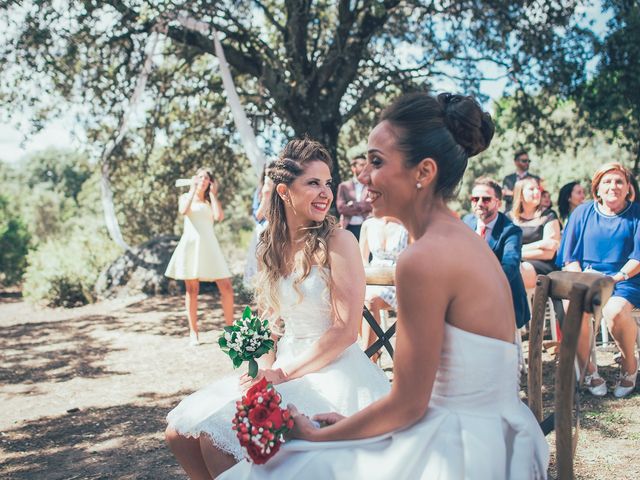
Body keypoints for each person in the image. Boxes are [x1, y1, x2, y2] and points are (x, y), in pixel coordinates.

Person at [223, 92, 549, 479]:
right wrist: (348, 425)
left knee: (271, 470)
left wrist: (317, 435)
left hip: (465, 451)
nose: (362, 177)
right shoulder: (456, 241)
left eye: (376, 162)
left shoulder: (424, 258)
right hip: (496, 436)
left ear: (423, 173)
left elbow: (407, 406)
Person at [165, 139, 391, 479]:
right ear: (284, 192)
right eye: (313, 183)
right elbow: (272, 322)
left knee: (216, 439)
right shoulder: (268, 246)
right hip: (282, 364)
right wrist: (261, 372)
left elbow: (345, 331)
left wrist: (282, 375)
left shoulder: (340, 242)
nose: (325, 193)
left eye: (327, 183)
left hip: (330, 369)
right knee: (179, 434)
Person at [557, 162, 640, 398]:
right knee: (574, 305)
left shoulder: (637, 214)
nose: (613, 186)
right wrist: (583, 278)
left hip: (627, 279)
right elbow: (569, 257)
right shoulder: (582, 213)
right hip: (589, 278)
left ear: (627, 188)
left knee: (614, 310)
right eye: (607, 181)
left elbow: (638, 258)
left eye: (619, 182)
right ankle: (590, 372)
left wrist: (615, 278)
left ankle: (629, 365)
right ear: (597, 188)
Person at [165, 168, 235, 345]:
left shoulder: (209, 201)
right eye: (201, 177)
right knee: (192, 290)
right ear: (195, 179)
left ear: (210, 182)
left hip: (210, 246)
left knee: (226, 286)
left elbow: (219, 216)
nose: (204, 180)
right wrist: (191, 190)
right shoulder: (185, 197)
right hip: (191, 246)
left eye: (207, 178)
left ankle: (230, 329)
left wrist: (213, 195)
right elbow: (183, 211)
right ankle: (193, 332)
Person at [463, 177, 530, 328]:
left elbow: (510, 266)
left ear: (498, 203)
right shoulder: (466, 222)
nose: (479, 203)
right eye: (475, 199)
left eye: (486, 199)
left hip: (503, 300)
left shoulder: (511, 231)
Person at [359, 216, 408, 359]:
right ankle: (374, 349)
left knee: (369, 300)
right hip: (372, 278)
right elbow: (362, 258)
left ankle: (367, 355)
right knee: (353, 298)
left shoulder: (407, 225)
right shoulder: (368, 224)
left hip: (399, 283)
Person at [508, 177, 561, 290]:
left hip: (543, 265)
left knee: (519, 269)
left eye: (538, 188)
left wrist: (517, 251)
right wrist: (540, 244)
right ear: (520, 194)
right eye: (531, 189)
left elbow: (549, 252)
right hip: (515, 261)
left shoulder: (548, 215)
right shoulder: (509, 217)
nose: (537, 192)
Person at [243, 166, 274, 289]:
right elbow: (258, 216)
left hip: (280, 233)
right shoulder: (260, 191)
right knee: (262, 271)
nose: (270, 173)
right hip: (263, 233)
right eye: (268, 171)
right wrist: (266, 195)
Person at [336, 154, 372, 240]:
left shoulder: (371, 185)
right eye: (361, 165)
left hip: (367, 227)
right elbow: (341, 208)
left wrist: (354, 204)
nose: (365, 167)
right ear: (353, 168)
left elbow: (372, 205)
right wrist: (363, 206)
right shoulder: (343, 186)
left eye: (366, 165)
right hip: (348, 228)